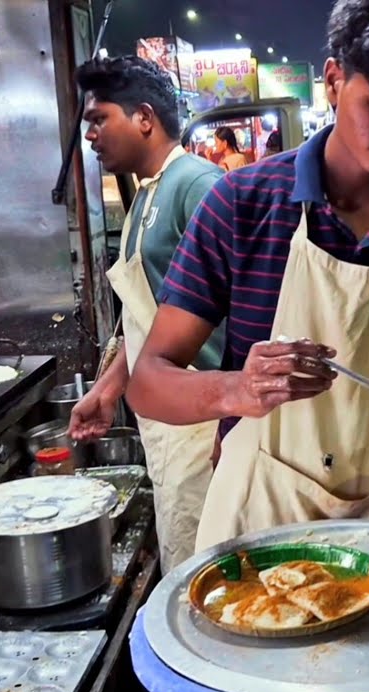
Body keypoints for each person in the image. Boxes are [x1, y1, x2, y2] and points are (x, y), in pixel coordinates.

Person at [125, 0, 369, 552]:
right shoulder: (242, 204)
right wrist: (237, 389)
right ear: (333, 80)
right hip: (262, 525)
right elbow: (148, 383)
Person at [66, 55, 225, 572]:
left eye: (99, 119)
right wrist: (108, 390)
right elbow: (151, 318)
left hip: (204, 419)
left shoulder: (197, 186)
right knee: (183, 557)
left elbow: (251, 311)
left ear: (144, 118)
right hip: (165, 421)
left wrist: (234, 425)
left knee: (207, 569)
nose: (90, 135)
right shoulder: (145, 195)